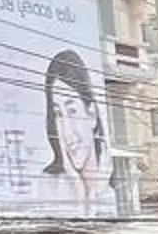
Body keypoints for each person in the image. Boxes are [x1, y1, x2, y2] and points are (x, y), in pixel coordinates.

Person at [40, 49, 109, 218]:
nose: (67, 133)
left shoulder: (113, 186)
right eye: (58, 114)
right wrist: (79, 190)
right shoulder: (48, 185)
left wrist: (90, 194)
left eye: (72, 111)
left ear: (91, 115)